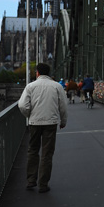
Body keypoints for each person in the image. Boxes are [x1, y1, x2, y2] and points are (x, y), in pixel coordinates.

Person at [18, 62, 68, 193]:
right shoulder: (57, 86)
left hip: (35, 123)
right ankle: (43, 184)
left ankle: (30, 181)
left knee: (33, 150)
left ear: (37, 73)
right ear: (49, 73)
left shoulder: (30, 86)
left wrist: (29, 115)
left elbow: (22, 105)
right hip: (50, 123)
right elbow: (63, 106)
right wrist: (63, 121)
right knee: (47, 153)